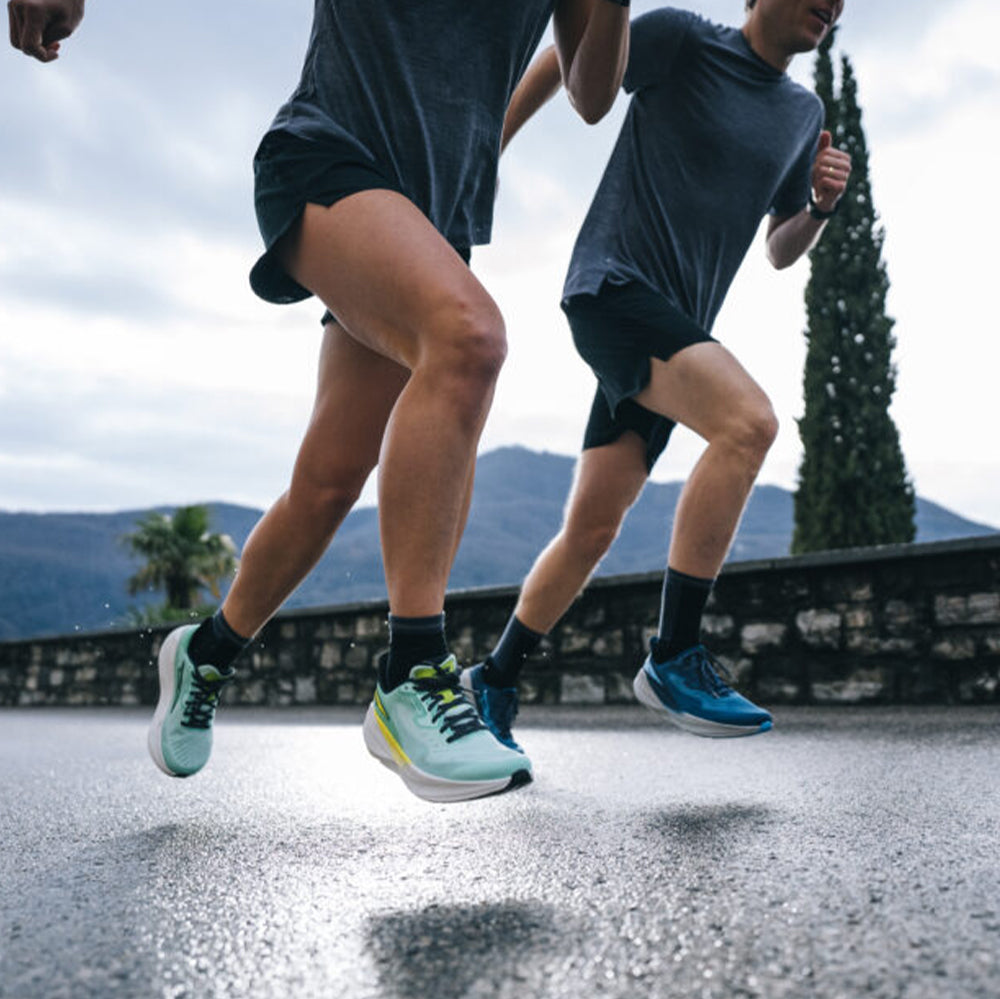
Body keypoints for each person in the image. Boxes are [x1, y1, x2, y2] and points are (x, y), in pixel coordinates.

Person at [9, 0, 632, 801]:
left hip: (431, 215)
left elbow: (591, 93)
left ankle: (207, 652)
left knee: (329, 482)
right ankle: (413, 671)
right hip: (328, 155)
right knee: (469, 340)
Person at [461, 0, 851, 753]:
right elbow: (566, 61)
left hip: (675, 329)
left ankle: (495, 678)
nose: (834, 4)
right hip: (614, 288)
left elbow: (779, 247)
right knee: (748, 424)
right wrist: (487, 147)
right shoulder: (684, 40)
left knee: (591, 529)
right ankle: (674, 653)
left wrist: (819, 206)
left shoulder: (805, 114)